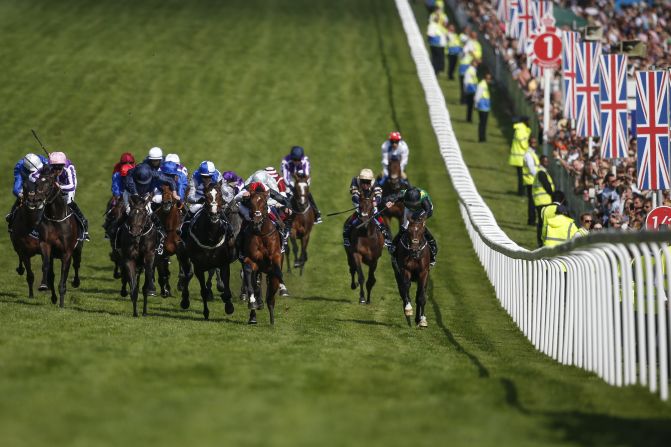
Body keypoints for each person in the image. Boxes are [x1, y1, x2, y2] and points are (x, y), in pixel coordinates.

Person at [385, 187, 438, 267]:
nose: (412, 206)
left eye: (413, 205)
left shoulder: (424, 199)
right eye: (410, 204)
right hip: (410, 210)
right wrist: (391, 201)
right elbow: (396, 197)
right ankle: (394, 245)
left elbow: (429, 211)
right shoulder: (404, 193)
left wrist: (420, 219)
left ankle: (432, 246)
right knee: (404, 227)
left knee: (419, 228)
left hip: (423, 209)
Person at [342, 168, 392, 249]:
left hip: (371, 201)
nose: (365, 184)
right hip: (359, 200)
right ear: (360, 180)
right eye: (363, 182)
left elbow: (378, 194)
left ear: (371, 181)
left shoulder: (375, 183)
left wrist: (376, 202)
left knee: (376, 213)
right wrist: (361, 205)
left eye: (367, 182)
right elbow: (354, 195)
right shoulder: (355, 181)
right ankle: (346, 234)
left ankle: (386, 236)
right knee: (359, 213)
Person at [280, 146, 322, 223]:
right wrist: (293, 188)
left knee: (306, 193)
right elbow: (286, 178)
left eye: (298, 160)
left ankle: (317, 213)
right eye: (294, 159)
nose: (296, 161)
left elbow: (307, 175)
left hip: (302, 178)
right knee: (285, 194)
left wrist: (303, 186)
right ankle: (281, 216)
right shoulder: (285, 161)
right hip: (290, 179)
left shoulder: (305, 160)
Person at [6, 153, 48, 228]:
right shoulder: (19, 168)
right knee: (20, 200)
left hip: (42, 184)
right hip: (28, 187)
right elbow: (16, 189)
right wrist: (22, 195)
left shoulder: (40, 159)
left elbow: (50, 166)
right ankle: (12, 215)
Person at [532, 156, 555, 247]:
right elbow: (547, 186)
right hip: (543, 201)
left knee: (542, 223)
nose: (547, 163)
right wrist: (553, 195)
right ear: (541, 162)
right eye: (544, 161)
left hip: (543, 201)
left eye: (547, 161)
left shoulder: (542, 172)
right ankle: (541, 242)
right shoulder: (541, 172)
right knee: (542, 223)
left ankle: (542, 241)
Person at [509, 116, 531, 196]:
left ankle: (521, 191)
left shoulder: (522, 129)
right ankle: (521, 192)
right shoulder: (521, 130)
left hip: (519, 156)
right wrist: (529, 147)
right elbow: (523, 144)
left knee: (521, 176)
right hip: (520, 157)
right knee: (522, 176)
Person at [522, 137, 540, 226]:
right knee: (532, 202)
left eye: (535, 142)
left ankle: (532, 219)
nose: (534, 143)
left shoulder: (532, 153)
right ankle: (531, 220)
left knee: (532, 201)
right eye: (532, 142)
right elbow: (531, 168)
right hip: (531, 180)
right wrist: (539, 176)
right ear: (529, 143)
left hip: (532, 180)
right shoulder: (529, 154)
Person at [474, 71, 491, 141]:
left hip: (485, 107)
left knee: (484, 123)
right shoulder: (482, 85)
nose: (489, 80)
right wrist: (475, 104)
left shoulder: (484, 84)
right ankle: (481, 137)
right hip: (482, 106)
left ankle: (483, 137)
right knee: (482, 123)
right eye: (488, 79)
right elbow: (477, 95)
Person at [463, 59, 479, 123]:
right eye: (475, 63)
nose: (476, 64)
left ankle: (469, 118)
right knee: (470, 104)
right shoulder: (470, 70)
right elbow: (466, 80)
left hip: (472, 87)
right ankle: (468, 118)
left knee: (470, 104)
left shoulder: (473, 70)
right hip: (471, 88)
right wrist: (466, 88)